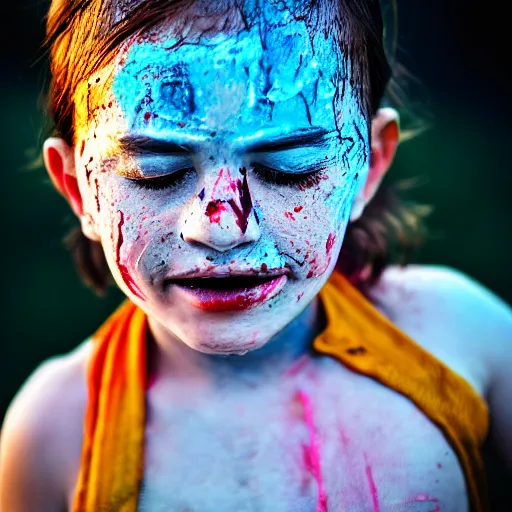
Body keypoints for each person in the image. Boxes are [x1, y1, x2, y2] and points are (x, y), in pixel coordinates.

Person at [0, 0, 510, 510]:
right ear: (77, 188)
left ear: (369, 166)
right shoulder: (54, 433)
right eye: (157, 171)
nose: (222, 228)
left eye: (291, 165)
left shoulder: (463, 342)